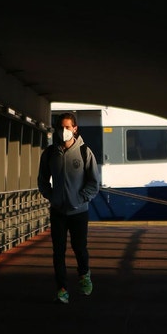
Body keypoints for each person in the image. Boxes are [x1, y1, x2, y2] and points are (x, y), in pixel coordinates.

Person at [37, 111, 100, 304]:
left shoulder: (84, 152)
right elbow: (42, 181)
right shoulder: (49, 153)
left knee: (79, 248)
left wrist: (81, 198)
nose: (64, 131)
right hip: (58, 212)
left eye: (67, 127)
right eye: (61, 127)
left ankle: (84, 276)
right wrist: (52, 197)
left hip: (79, 212)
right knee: (58, 252)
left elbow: (94, 182)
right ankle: (62, 289)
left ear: (75, 129)